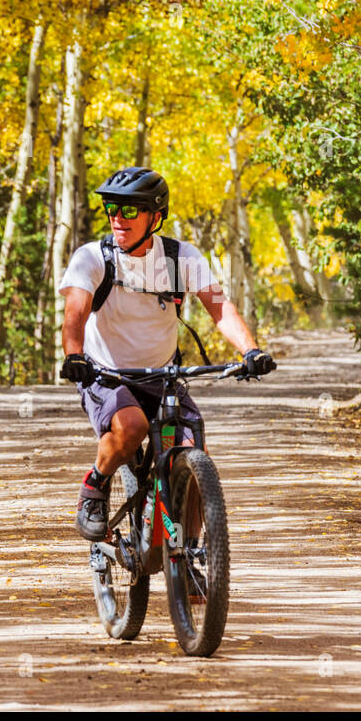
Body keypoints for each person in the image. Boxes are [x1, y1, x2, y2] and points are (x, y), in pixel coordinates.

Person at [58, 166, 276, 540]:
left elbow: (218, 306)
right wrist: (74, 355)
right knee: (132, 427)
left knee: (192, 447)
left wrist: (250, 350)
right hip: (106, 374)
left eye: (129, 211)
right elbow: (75, 312)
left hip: (162, 375)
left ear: (155, 216)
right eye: (112, 209)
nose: (117, 218)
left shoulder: (179, 258)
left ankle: (190, 554)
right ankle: (94, 487)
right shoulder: (92, 257)